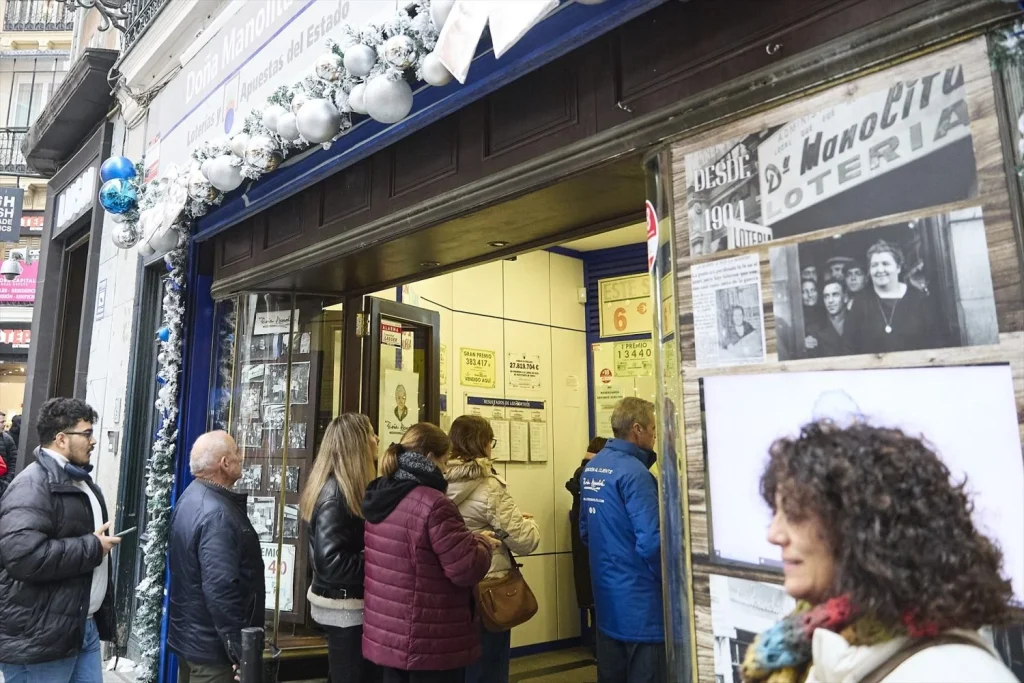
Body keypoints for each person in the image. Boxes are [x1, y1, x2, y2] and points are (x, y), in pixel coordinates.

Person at [742, 421, 1017, 683]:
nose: (774, 535)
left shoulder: (954, 674)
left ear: (862, 528)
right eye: (775, 513)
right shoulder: (819, 647)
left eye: (794, 514)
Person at [362, 422, 501, 683]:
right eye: (445, 460)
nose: (447, 468)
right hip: (429, 639)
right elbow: (465, 568)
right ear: (429, 458)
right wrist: (482, 543)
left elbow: (413, 551)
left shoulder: (380, 494)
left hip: (388, 634)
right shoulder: (435, 503)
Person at [0, 398, 119, 683]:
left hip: (80, 627)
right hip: (39, 637)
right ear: (61, 439)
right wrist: (92, 547)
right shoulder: (32, 485)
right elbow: (23, 557)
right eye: (87, 433)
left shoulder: (81, 481)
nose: (93, 441)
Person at [445, 416, 541, 683]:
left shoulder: (439, 481)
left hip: (451, 588)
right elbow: (525, 541)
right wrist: (528, 523)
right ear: (484, 444)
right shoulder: (489, 486)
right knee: (490, 665)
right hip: (487, 589)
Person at [167, 431, 264, 683]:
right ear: (224, 463)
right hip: (212, 651)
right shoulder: (217, 515)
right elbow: (221, 588)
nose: (241, 457)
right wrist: (240, 650)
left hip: (193, 641)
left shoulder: (191, 496)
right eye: (236, 452)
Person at [580, 398, 664, 683]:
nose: (655, 435)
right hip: (642, 603)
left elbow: (585, 531)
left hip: (606, 597)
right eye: (653, 428)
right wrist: (668, 582)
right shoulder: (636, 474)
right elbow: (652, 542)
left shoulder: (594, 467)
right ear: (637, 429)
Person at [301, 414, 379, 683]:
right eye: (371, 432)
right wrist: (378, 561)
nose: (376, 438)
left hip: (347, 607)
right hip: (345, 610)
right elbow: (331, 563)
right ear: (356, 444)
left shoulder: (345, 488)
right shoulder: (336, 494)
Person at [844, 240, 939, 355]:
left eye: (885, 264)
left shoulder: (919, 299)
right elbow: (849, 345)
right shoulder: (861, 302)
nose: (880, 270)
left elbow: (935, 343)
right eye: (874, 265)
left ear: (898, 267)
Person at [566, 437, 607, 654]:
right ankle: (601, 649)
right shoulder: (594, 475)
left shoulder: (580, 473)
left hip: (583, 546)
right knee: (601, 602)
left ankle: (596, 646)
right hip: (596, 547)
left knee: (592, 599)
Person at [804, 277, 849, 358]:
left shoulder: (859, 321)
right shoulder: (814, 328)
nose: (830, 300)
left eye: (835, 295)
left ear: (845, 297)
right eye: (826, 296)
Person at [0, 410, 16, 497]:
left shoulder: (7, 439)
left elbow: (13, 462)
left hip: (3, 486)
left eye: (4, 422)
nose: (4, 425)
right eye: (2, 422)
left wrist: (7, 482)